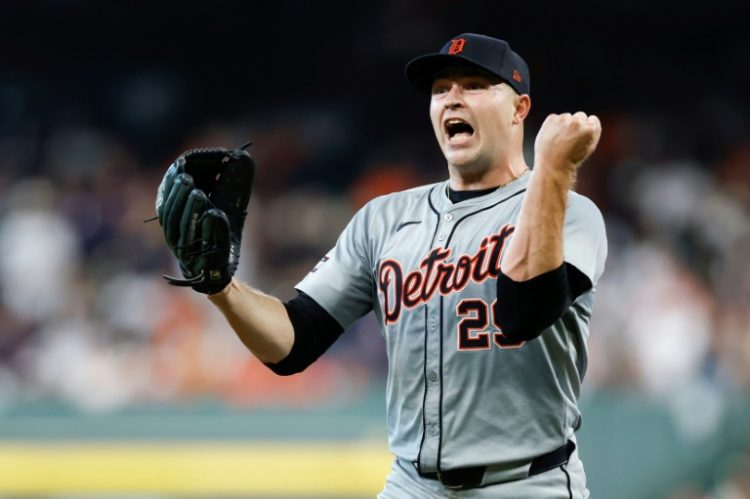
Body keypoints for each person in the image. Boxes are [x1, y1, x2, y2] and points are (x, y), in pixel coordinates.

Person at [160, 33, 606, 498]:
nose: (452, 98)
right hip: (411, 485)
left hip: (524, 483)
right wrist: (221, 288)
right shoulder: (383, 218)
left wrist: (553, 169)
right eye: (440, 90)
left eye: (474, 85)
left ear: (519, 109)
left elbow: (524, 312)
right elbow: (292, 344)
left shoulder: (571, 212)